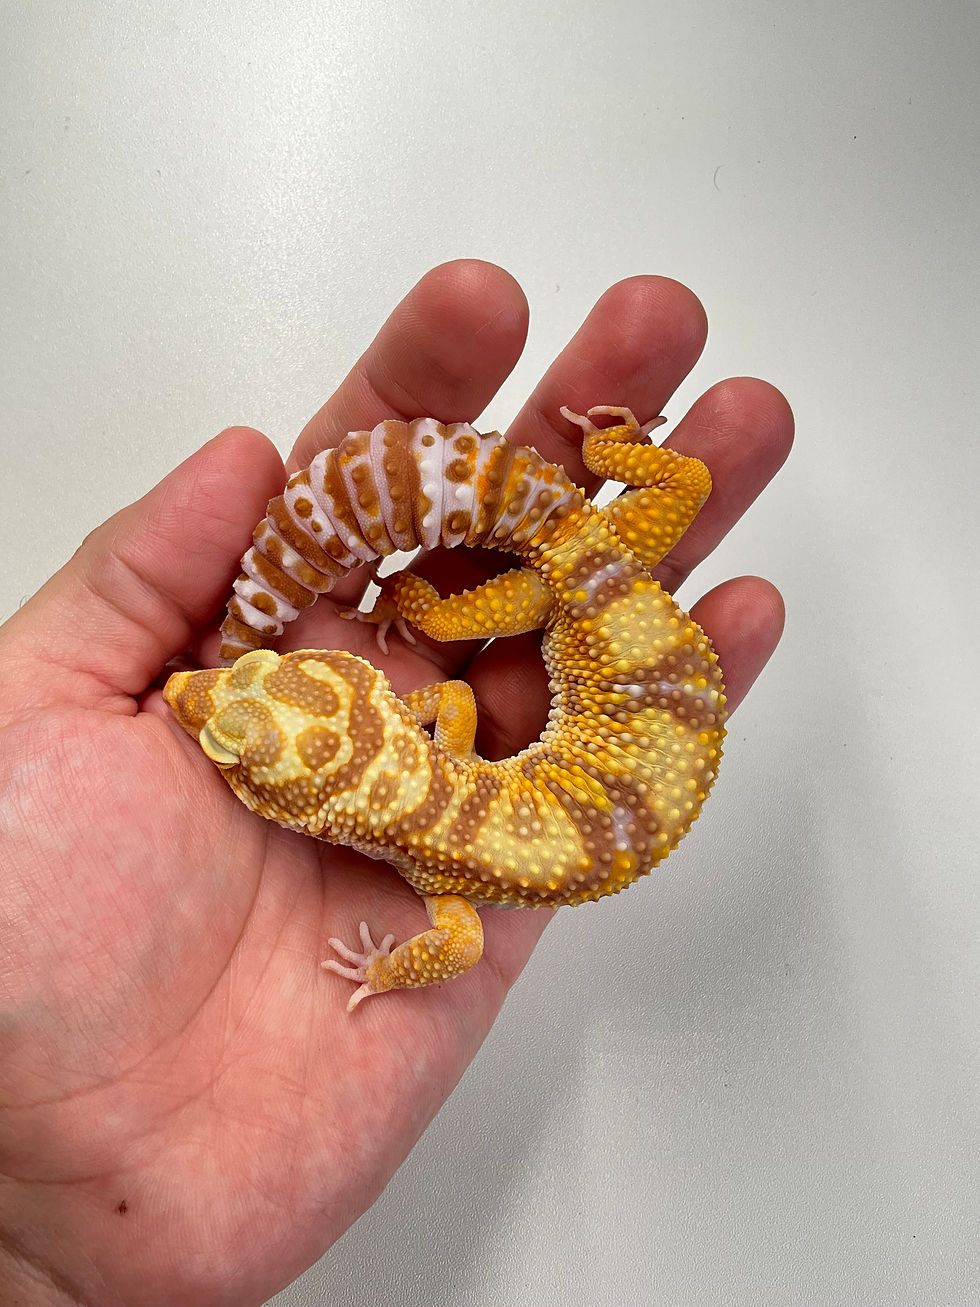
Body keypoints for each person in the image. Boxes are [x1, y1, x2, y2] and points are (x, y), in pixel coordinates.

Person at [0, 261, 793, 1305]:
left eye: (232, 733)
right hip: (613, 625)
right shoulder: (440, 784)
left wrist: (386, 967)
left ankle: (576, 476)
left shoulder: (443, 830)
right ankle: (611, 447)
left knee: (600, 531)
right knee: (674, 489)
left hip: (586, 611)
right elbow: (450, 756)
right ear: (367, 704)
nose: (196, 695)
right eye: (240, 712)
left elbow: (456, 913)